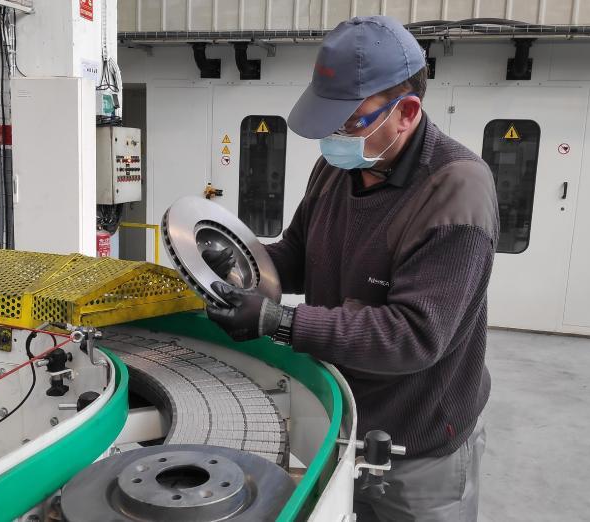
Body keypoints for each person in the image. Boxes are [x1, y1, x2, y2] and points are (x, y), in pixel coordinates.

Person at [203, 15, 498, 522]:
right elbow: (299, 253)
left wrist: (281, 322)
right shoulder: (338, 168)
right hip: (341, 417)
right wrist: (242, 262)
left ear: (407, 112)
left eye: (349, 123)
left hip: (420, 446)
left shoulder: (456, 190)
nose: (334, 137)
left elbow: (414, 336)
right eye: (329, 123)